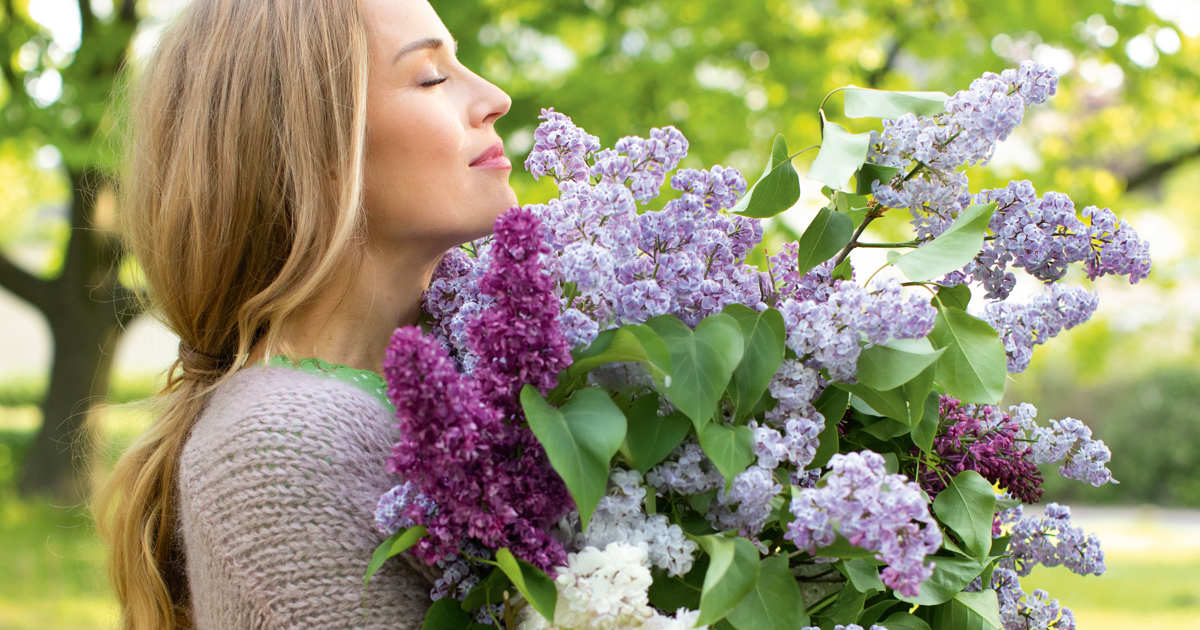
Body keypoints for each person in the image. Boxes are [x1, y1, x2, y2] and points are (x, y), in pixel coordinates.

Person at [93, 0, 517, 627]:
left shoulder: (487, 373)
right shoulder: (281, 446)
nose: (495, 97)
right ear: (315, 146)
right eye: (431, 76)